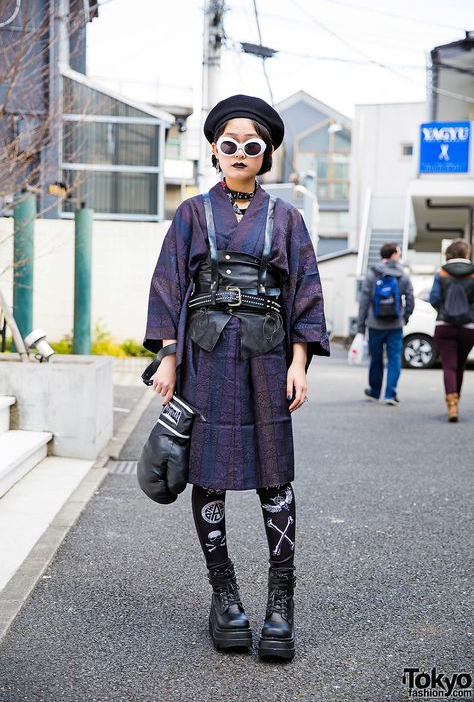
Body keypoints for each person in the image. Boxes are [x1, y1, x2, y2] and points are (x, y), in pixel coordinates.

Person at [143, 94, 329, 661]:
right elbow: (170, 284)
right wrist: (168, 358)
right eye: (229, 145)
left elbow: (305, 291)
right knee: (209, 475)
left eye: (252, 146)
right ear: (215, 150)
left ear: (266, 152)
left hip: (268, 359)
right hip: (205, 356)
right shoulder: (193, 213)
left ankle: (280, 604)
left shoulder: (289, 218)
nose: (240, 153)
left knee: (274, 477)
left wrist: (299, 363)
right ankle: (225, 598)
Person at [357, 242, 414, 405]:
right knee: (394, 358)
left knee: (376, 358)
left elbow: (364, 302)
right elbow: (410, 300)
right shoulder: (402, 275)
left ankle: (375, 392)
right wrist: (404, 318)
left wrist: (361, 327)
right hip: (395, 325)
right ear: (394, 255)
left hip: (375, 325)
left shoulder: (372, 274)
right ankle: (390, 394)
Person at [429, 239, 474, 422]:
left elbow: (433, 299)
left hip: (444, 326)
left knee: (448, 365)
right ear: (466, 253)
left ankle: (451, 403)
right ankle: (457, 400)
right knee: (460, 365)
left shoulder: (441, 272)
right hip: (468, 328)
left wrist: (443, 312)